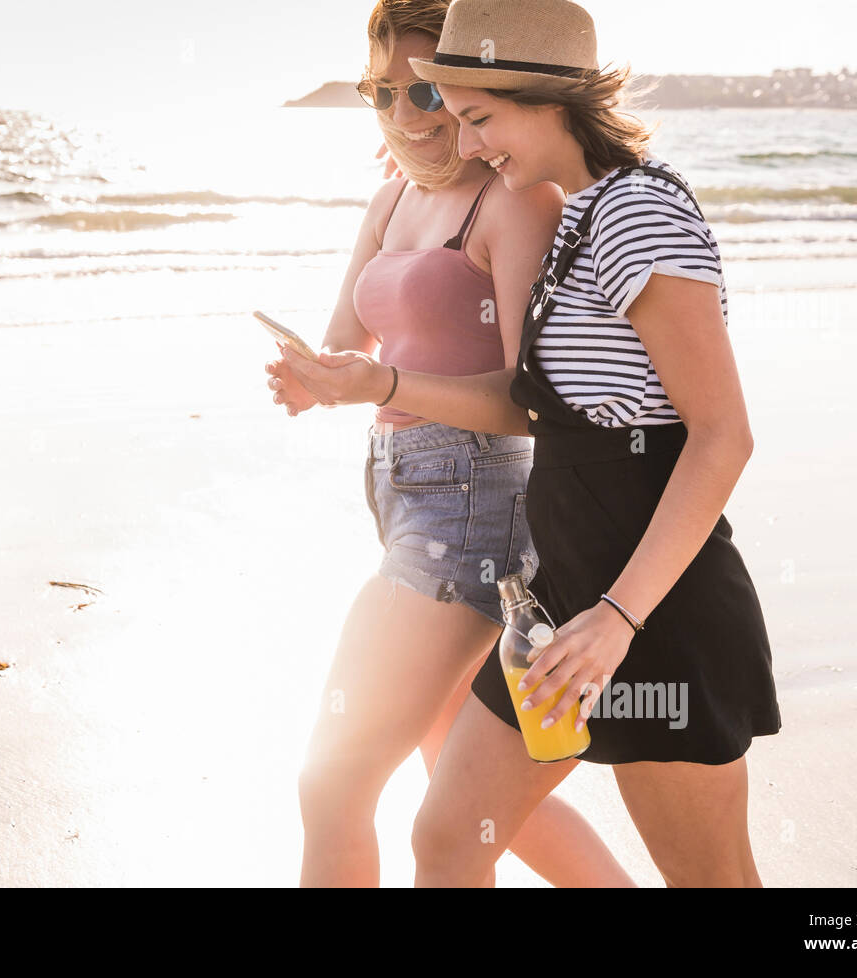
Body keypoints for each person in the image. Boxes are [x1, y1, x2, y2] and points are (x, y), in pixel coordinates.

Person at [283, 0, 782, 887]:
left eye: (478, 117)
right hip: (558, 597)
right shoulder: (574, 217)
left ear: (549, 97)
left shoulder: (638, 213)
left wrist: (617, 620)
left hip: (650, 612)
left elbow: (723, 436)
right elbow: (530, 394)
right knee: (446, 838)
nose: (467, 143)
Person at [269, 0, 634, 888]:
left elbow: (529, 401)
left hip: (476, 503)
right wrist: (314, 379)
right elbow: (348, 343)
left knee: (332, 780)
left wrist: (384, 385)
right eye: (383, 93)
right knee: (469, 800)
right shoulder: (390, 196)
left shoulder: (514, 201)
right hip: (397, 491)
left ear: (471, 86)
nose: (406, 115)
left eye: (429, 91)